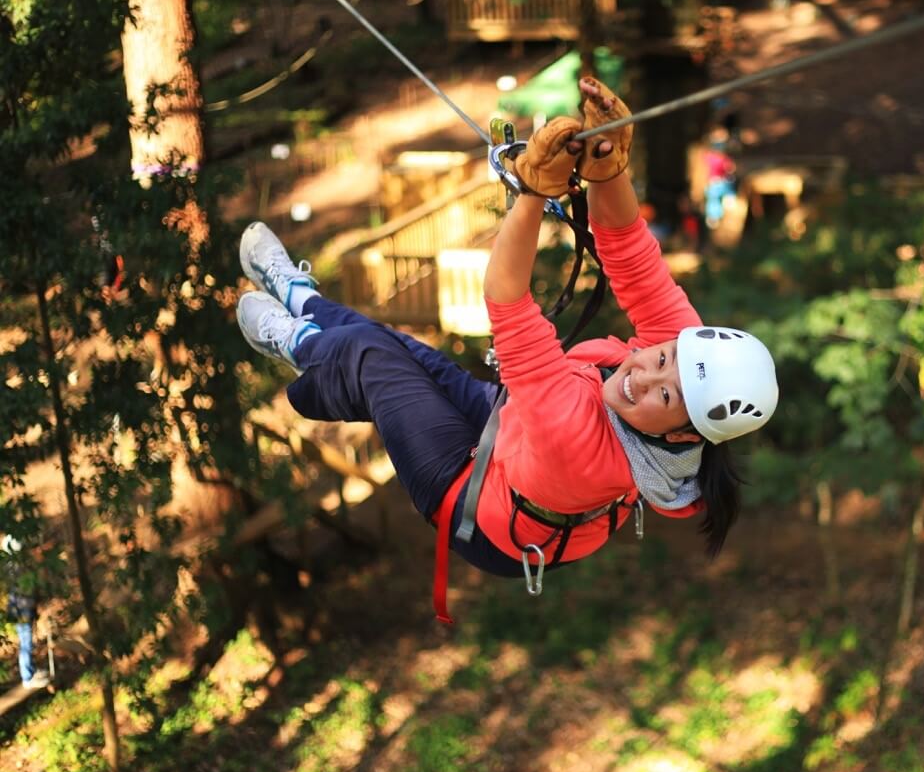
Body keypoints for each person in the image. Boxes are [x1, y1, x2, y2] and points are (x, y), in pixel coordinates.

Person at [233, 78, 779, 621]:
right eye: (661, 360)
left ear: (684, 435)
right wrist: (608, 168)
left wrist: (533, 193)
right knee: (397, 348)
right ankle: (300, 297)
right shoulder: (681, 357)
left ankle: (297, 342)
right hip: (513, 436)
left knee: (373, 362)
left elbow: (506, 299)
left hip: (480, 508)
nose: (644, 374)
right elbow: (630, 252)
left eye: (665, 395)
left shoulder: (575, 438)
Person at [3, 535, 50, 690]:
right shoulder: (16, 568)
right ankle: (27, 677)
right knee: (26, 642)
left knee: (27, 641)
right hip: (21, 609)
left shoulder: (11, 567)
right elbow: (26, 589)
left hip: (22, 608)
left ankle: (30, 671)